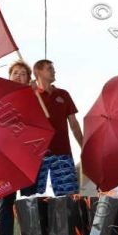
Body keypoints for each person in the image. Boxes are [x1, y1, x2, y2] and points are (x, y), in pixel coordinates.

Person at [0, 60, 38, 235]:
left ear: (28, 79)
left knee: (29, 201)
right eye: (15, 73)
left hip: (28, 155)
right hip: (6, 157)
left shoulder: (35, 97)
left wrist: (34, 96)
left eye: (23, 74)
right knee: (6, 202)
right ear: (9, 76)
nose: (19, 76)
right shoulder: (0, 97)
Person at [33, 59, 84, 195]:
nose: (54, 71)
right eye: (49, 68)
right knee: (33, 198)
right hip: (37, 155)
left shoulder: (63, 94)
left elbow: (74, 124)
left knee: (69, 197)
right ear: (38, 72)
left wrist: (83, 146)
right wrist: (29, 91)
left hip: (62, 152)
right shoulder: (31, 95)